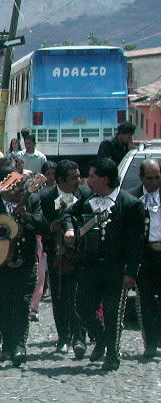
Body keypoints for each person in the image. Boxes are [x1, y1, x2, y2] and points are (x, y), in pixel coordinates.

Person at [62, 157, 145, 371]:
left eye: (92, 176)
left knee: (112, 312)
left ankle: (112, 354)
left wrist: (131, 271)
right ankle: (101, 339)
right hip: (90, 266)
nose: (87, 180)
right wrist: (70, 229)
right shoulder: (88, 200)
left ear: (105, 179)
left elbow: (137, 243)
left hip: (116, 269)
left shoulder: (130, 204)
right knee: (82, 307)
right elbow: (68, 214)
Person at [0, 171, 47, 367]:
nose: (15, 188)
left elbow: (42, 225)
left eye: (19, 184)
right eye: (11, 184)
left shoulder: (31, 200)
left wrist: (26, 217)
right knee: (1, 306)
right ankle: (7, 345)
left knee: (21, 304)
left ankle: (20, 345)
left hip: (24, 262)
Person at [37, 160, 90, 356]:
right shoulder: (45, 196)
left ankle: (79, 337)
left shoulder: (85, 194)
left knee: (80, 295)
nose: (78, 180)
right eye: (73, 177)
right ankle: (63, 337)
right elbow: (39, 222)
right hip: (57, 254)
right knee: (59, 295)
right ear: (60, 180)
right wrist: (50, 227)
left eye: (78, 176)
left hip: (80, 254)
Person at [126, 159, 161, 359]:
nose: (154, 182)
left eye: (158, 177)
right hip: (145, 255)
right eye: (150, 178)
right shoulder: (133, 198)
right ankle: (150, 343)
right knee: (146, 301)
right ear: (141, 178)